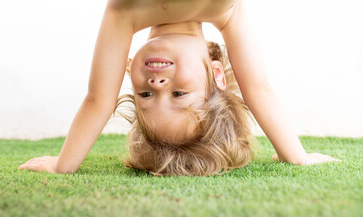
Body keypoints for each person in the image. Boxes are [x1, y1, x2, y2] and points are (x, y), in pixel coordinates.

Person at [18, 0, 340, 176]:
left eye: (145, 96)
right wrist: (296, 156)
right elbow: (258, 89)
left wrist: (64, 165)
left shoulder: (124, 11)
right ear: (217, 74)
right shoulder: (226, 8)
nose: (156, 84)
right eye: (178, 95)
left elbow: (99, 99)